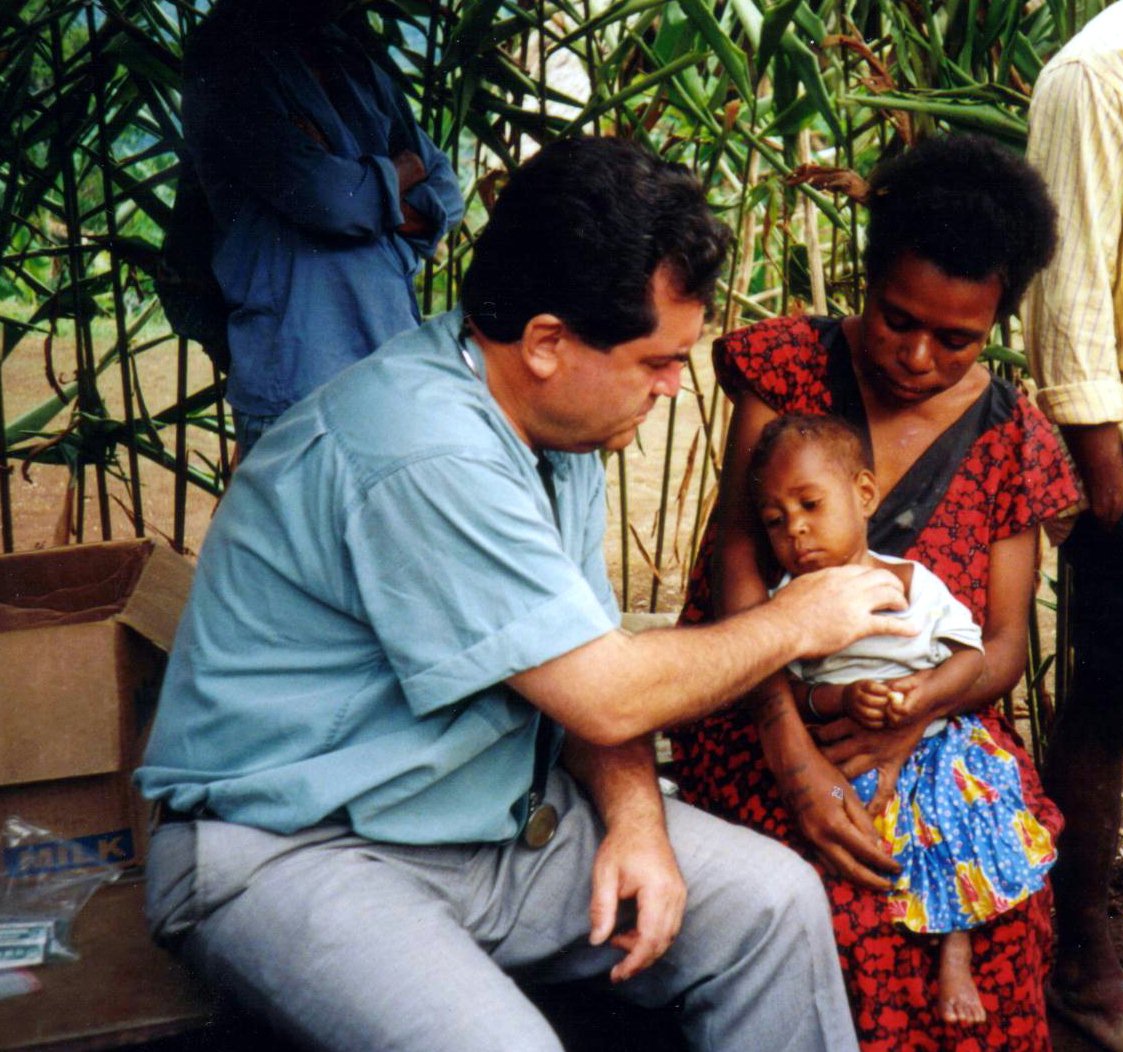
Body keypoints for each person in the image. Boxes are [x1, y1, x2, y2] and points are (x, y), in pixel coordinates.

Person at [134, 137, 918, 1052]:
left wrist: (636, 824)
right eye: (656, 362)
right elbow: (609, 689)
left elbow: (591, 672)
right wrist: (794, 620)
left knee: (770, 904)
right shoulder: (424, 448)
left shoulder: (556, 428)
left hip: (488, 828)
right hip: (296, 847)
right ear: (546, 341)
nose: (674, 387)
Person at [667, 134, 1082, 1051]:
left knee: (1003, 900)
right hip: (761, 702)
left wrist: (917, 710)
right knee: (852, 909)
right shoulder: (788, 372)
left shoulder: (1012, 438)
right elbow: (735, 567)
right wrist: (794, 760)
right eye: (897, 319)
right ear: (868, 278)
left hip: (934, 725)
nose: (918, 356)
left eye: (957, 338)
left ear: (997, 324)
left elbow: (1004, 645)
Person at [749, 412, 1059, 1026]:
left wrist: (925, 696)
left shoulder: (914, 583)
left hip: (940, 737)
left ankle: (956, 947)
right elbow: (793, 690)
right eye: (775, 521)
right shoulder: (789, 602)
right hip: (847, 751)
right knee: (871, 834)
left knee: (973, 811)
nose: (797, 531)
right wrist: (844, 698)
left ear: (863, 495)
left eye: (811, 505)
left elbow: (971, 655)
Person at [1023, 3, 1123, 1048]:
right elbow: (1064, 273)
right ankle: (1079, 958)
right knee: (1108, 702)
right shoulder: (1100, 66)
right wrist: (1094, 460)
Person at [182, 0, 464, 457]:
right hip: (297, 377)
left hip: (388, 362)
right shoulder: (229, 64)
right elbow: (332, 200)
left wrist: (364, 187)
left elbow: (446, 191)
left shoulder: (349, 59)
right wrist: (395, 184)